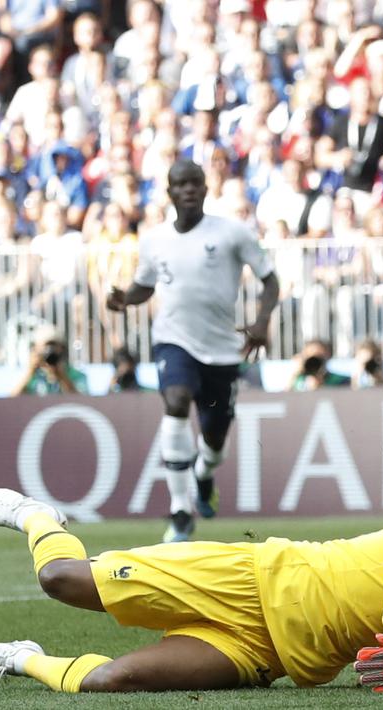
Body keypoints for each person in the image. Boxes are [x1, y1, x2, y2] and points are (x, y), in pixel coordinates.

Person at [0, 488, 383, 693]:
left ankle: (15, 657)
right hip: (253, 578)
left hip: (270, 655)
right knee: (60, 581)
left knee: (111, 683)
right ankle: (37, 517)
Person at [106, 159, 280, 543]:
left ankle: (204, 475)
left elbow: (270, 280)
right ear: (170, 193)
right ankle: (181, 510)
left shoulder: (232, 232)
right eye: (180, 184)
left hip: (221, 350)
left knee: (214, 443)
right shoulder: (153, 240)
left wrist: (262, 321)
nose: (188, 190)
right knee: (176, 400)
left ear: (205, 189)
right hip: (174, 340)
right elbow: (144, 286)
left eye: (195, 183)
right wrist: (125, 299)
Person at [11, 331, 88, 396]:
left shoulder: (76, 375)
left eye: (54, 346)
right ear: (36, 349)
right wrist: (30, 372)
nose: (50, 351)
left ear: (62, 349)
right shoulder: (31, 376)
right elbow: (11, 401)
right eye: (46, 346)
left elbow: (81, 402)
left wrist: (61, 375)